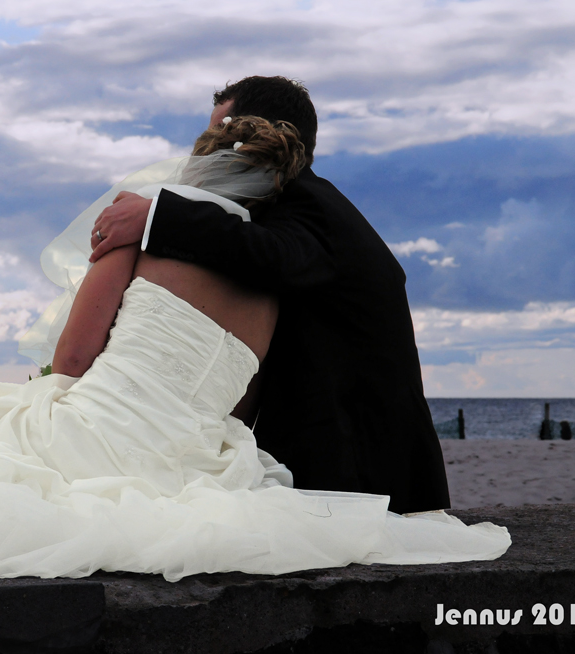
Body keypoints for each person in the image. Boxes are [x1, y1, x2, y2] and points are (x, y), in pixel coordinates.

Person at [0, 115, 508, 582]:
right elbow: (240, 399)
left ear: (200, 170)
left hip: (99, 423)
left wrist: (51, 381)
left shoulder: (137, 234)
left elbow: (73, 359)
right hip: (193, 449)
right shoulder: (278, 282)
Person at [90, 76, 450, 514]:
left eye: (224, 132)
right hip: (350, 445)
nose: (211, 146)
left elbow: (273, 255)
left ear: (262, 132)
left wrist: (157, 214)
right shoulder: (306, 202)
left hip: (360, 459)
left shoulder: (307, 203)